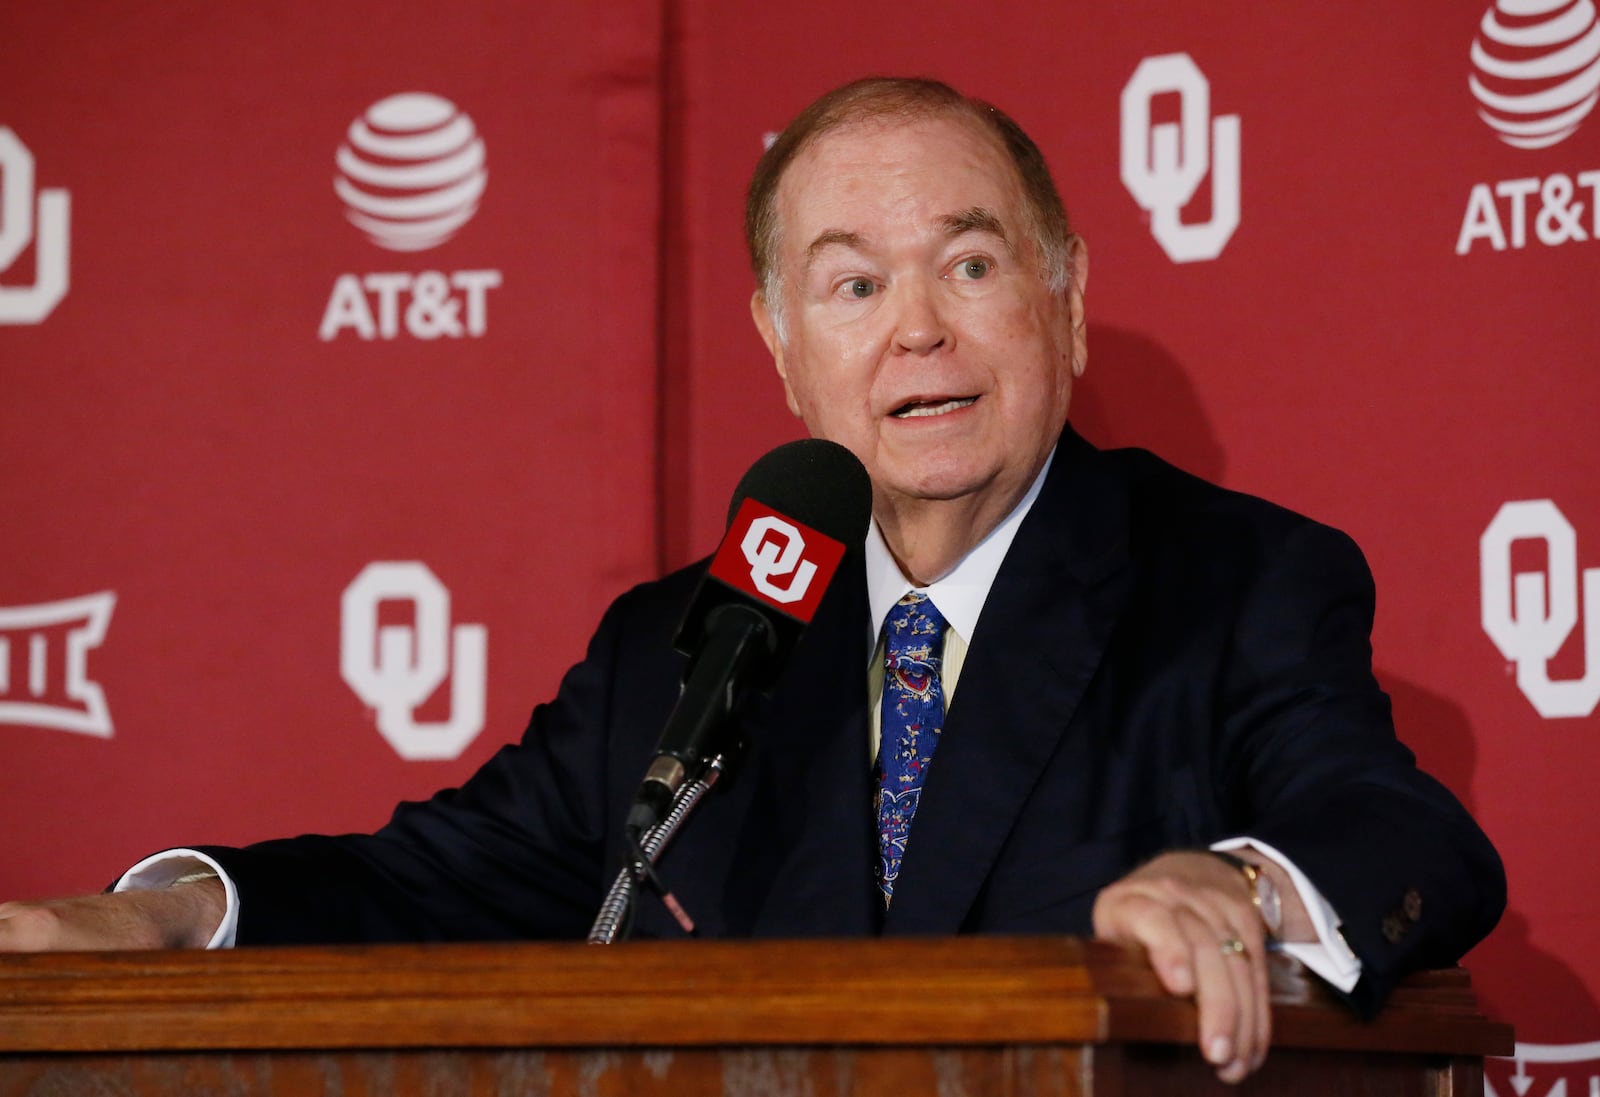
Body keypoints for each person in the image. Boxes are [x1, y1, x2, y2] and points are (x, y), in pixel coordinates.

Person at [0, 77, 1503, 1085]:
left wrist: (1235, 879)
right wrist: (168, 915)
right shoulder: (697, 637)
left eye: (970, 266)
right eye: (853, 284)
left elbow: (1399, 827)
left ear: (1068, 298)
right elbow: (430, 879)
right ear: (785, 350)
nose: (917, 329)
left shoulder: (1235, 579)